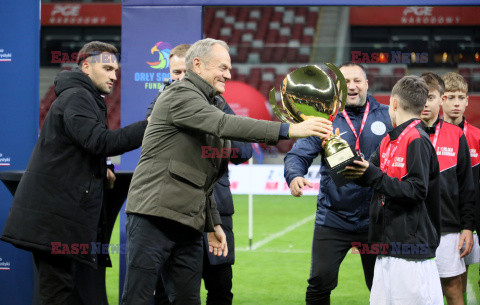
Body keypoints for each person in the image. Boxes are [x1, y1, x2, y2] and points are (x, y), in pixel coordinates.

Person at [121, 38, 333, 305]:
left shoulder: (208, 103)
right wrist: (288, 130)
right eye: (222, 67)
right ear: (197, 65)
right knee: (137, 298)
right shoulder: (179, 95)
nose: (228, 74)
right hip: (154, 216)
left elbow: (205, 178)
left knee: (188, 300)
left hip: (188, 222)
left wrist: (212, 223)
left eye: (229, 68)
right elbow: (223, 124)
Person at [0, 41, 148, 304]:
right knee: (57, 294)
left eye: (116, 69)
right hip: (54, 221)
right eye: (107, 68)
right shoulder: (78, 97)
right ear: (86, 66)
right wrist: (151, 125)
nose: (115, 76)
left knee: (60, 291)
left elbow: (80, 146)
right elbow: (99, 141)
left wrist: (103, 166)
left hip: (57, 220)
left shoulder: (82, 96)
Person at [146, 44, 252, 305]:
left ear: (197, 68)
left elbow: (244, 150)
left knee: (220, 288)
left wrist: (211, 128)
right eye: (175, 72)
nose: (181, 78)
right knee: (168, 293)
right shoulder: (160, 105)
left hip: (218, 209)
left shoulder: (219, 103)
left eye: (184, 71)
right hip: (176, 211)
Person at [284, 62, 393, 304]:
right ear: (336, 88)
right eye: (346, 82)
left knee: (382, 286)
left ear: (367, 84)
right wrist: (294, 175)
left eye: (357, 81)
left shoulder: (387, 116)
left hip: (376, 219)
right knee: (320, 283)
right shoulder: (323, 119)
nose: (352, 87)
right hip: (333, 217)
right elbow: (297, 154)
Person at [344, 75, 443, 304]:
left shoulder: (417, 139)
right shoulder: (388, 140)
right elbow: (370, 176)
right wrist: (344, 160)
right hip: (385, 246)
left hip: (411, 251)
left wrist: (373, 174)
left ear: (394, 103)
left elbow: (417, 190)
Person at [419, 72, 475, 305]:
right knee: (419, 292)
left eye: (430, 97)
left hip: (449, 228)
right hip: (414, 228)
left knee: (453, 288)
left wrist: (467, 226)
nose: (425, 104)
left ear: (439, 100)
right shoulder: (406, 133)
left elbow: (466, 186)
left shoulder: (455, 135)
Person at [441, 72, 480, 302]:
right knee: (444, 283)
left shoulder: (477, 137)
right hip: (444, 224)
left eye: (461, 97)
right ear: (441, 100)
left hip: (472, 224)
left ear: (467, 101)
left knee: (467, 284)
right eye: (450, 97)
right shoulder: (430, 137)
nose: (456, 103)